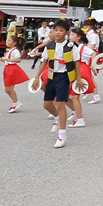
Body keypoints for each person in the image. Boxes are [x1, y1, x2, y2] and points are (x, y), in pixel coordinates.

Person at [38, 19, 81, 149]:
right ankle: (57, 118)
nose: (57, 33)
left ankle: (62, 134)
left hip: (64, 76)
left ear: (66, 33)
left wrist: (78, 80)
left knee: (60, 104)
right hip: (52, 76)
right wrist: (36, 77)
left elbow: (76, 63)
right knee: (47, 105)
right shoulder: (49, 45)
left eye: (61, 31)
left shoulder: (71, 46)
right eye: (56, 30)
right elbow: (44, 61)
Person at [0, 34, 30, 112]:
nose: (8, 42)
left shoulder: (15, 50)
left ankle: (16, 103)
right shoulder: (9, 50)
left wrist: (9, 60)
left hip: (12, 69)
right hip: (7, 68)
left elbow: (18, 60)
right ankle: (15, 102)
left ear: (15, 42)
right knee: (8, 89)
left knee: (9, 88)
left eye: (9, 40)